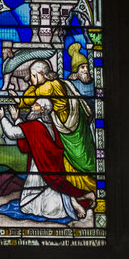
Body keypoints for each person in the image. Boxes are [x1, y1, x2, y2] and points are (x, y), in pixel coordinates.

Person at [0, 99, 95, 221]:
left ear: (42, 109)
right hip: (46, 168)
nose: (31, 107)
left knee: (48, 209)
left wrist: (2, 117)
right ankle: (80, 197)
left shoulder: (36, 126)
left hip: (42, 169)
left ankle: (72, 202)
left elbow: (12, 133)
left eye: (35, 105)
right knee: (29, 205)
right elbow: (28, 137)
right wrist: (17, 119)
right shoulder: (49, 125)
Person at [14, 59, 96, 193]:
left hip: (69, 131)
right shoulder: (55, 83)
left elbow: (27, 100)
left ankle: (87, 188)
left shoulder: (47, 87)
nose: (31, 80)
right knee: (77, 160)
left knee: (79, 161)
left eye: (34, 76)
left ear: (41, 74)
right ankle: (79, 190)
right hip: (71, 127)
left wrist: (21, 99)